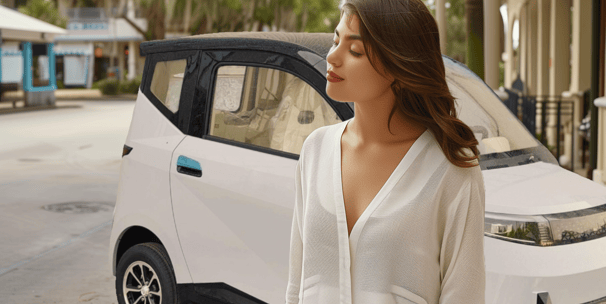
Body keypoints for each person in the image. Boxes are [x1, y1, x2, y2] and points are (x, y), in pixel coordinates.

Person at [285, 0, 486, 303]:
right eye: (336, 40)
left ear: (397, 64)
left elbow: (464, 296)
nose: (332, 57)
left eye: (355, 51)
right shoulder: (315, 150)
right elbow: (297, 285)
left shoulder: (451, 171)